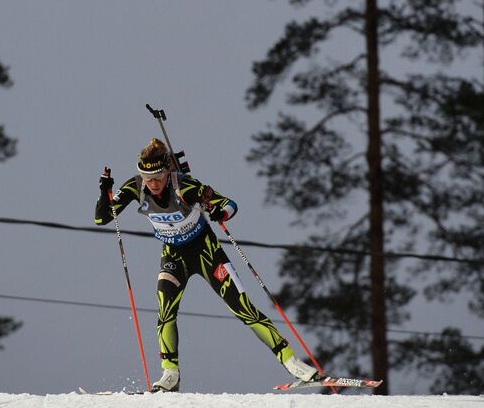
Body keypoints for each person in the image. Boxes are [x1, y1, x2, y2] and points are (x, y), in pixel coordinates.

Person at [95, 138, 320, 392]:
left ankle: (292, 362)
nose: (153, 183)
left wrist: (218, 212)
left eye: (157, 176)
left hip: (206, 253)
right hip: (173, 257)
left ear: (168, 171)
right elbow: (102, 217)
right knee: (165, 311)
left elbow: (230, 205)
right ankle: (170, 375)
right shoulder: (136, 188)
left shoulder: (186, 187)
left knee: (243, 308)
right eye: (147, 177)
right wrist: (105, 191)